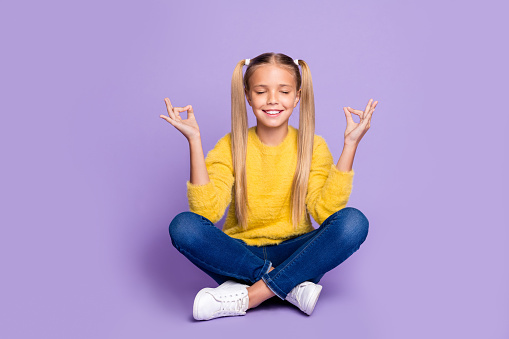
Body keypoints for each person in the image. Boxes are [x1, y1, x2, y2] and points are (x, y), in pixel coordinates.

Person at [160, 52, 378, 321]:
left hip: (297, 252)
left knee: (353, 222)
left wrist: (350, 146)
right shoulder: (230, 146)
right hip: (239, 256)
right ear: (248, 96)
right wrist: (194, 141)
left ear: (297, 97)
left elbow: (326, 213)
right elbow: (206, 211)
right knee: (183, 226)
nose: (273, 99)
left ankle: (250, 296)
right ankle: (290, 286)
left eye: (284, 91)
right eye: (261, 91)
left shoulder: (314, 146)